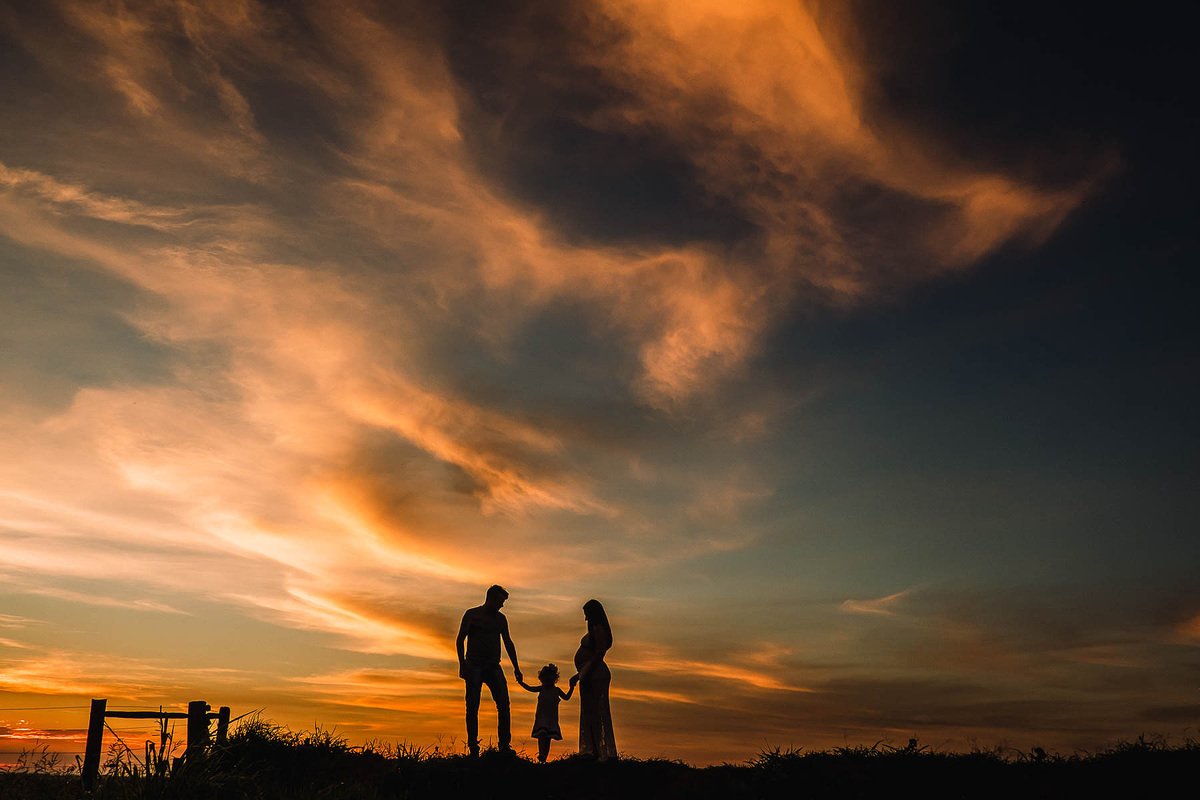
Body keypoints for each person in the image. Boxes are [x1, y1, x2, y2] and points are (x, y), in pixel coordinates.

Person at [456, 584, 522, 756]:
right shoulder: (472, 615)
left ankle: (504, 746)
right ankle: (473, 747)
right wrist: (462, 664)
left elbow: (508, 642)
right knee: (472, 707)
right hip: (474, 665)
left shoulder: (501, 619)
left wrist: (516, 667)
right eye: (500, 601)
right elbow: (460, 639)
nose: (502, 605)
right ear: (491, 598)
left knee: (504, 705)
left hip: (493, 666)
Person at [572, 598, 617, 761]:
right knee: (590, 711)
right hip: (589, 673)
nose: (585, 619)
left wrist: (584, 674)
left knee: (595, 712)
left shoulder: (598, 629)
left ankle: (599, 752)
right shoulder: (595, 630)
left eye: (587, 614)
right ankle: (594, 750)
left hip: (595, 675)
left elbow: (599, 654)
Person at [516, 663, 576, 763]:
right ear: (542, 679)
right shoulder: (541, 689)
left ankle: (544, 758)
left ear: (554, 679)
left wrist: (572, 688)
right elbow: (530, 688)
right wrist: (521, 683)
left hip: (551, 719)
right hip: (541, 717)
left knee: (548, 739)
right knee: (542, 734)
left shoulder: (556, 690)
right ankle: (541, 753)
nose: (547, 682)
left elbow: (566, 697)